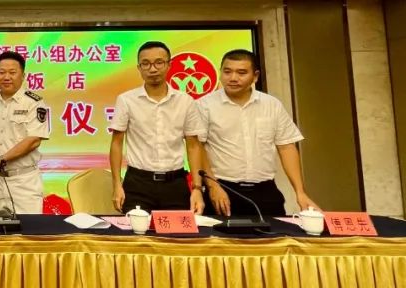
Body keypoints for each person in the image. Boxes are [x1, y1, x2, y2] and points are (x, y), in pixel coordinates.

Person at [196, 49, 319, 217]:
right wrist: (213, 186)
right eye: (227, 72)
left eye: (241, 73)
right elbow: (198, 148)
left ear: (255, 76)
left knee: (276, 232)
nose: (233, 78)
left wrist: (300, 192)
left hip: (265, 191)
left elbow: (286, 147)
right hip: (223, 190)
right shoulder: (204, 105)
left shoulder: (272, 105)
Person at [109, 41, 205, 214]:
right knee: (136, 230)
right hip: (138, 183)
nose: (152, 69)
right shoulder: (126, 100)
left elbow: (193, 146)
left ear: (169, 65)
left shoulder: (185, 101)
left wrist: (197, 188)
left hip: (175, 183)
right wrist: (116, 184)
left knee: (178, 231)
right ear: (139, 68)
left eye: (159, 62)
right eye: (145, 64)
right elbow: (116, 143)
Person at [0, 50, 52, 215]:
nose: (6, 77)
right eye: (2, 72)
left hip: (24, 181)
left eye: (12, 72)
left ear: (23, 75)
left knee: (28, 228)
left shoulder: (34, 103)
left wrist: (2, 159)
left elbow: (34, 140)